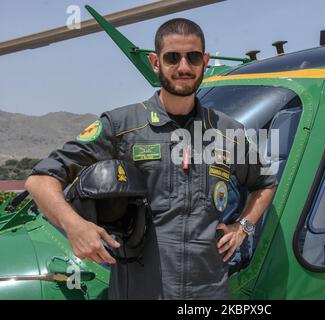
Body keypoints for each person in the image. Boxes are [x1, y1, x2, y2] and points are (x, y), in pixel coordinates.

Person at [25, 18, 276, 299]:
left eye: (193, 58)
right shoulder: (121, 126)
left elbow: (265, 183)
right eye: (172, 58)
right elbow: (40, 179)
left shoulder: (228, 133)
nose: (183, 67)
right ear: (156, 62)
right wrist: (74, 226)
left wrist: (243, 226)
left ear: (205, 61)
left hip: (208, 292)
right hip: (140, 289)